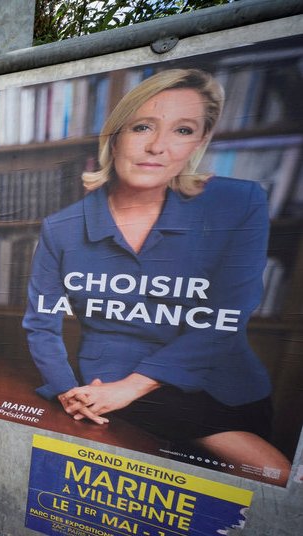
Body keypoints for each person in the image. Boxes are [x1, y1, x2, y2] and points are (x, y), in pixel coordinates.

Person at [22, 68, 290, 484]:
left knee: (274, 480)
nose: (157, 147)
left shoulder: (240, 202)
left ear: (200, 142)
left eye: (183, 130)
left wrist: (131, 386)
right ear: (115, 135)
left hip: (220, 386)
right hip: (102, 388)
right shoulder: (62, 226)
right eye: (142, 126)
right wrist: (66, 391)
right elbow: (42, 323)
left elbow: (226, 315)